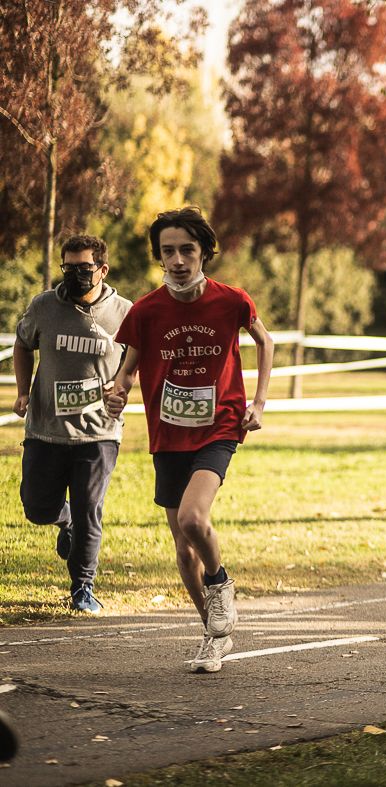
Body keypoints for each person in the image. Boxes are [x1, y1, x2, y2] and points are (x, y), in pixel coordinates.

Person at [105, 207, 274, 673]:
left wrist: (258, 402)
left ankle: (220, 584)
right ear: (159, 256)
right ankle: (214, 635)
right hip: (167, 434)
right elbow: (127, 370)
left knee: (194, 519)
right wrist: (118, 391)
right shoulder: (146, 311)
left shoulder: (231, 300)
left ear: (203, 253)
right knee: (182, 548)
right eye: (168, 252)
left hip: (219, 426)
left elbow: (265, 342)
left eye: (187, 250)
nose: (178, 260)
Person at [12, 234, 131, 614]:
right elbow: (22, 343)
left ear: (102, 269)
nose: (75, 274)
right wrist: (22, 391)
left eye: (84, 268)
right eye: (69, 267)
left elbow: (137, 359)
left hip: (99, 432)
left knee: (89, 509)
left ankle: (83, 586)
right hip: (46, 429)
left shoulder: (124, 312)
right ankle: (65, 521)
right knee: (36, 508)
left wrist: (121, 386)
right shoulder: (44, 305)